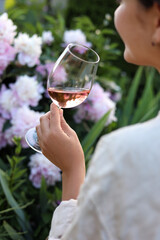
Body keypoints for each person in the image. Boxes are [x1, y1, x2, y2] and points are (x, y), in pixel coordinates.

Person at [36, 0, 160, 239]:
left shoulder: (126, 154)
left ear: (157, 21)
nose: (117, 8)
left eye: (122, 2)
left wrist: (72, 170)